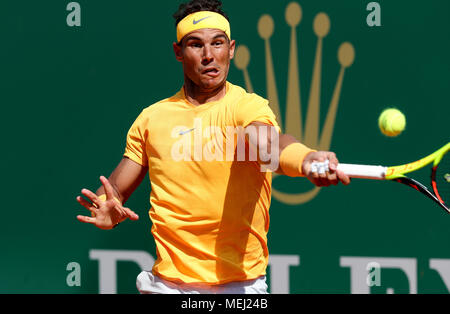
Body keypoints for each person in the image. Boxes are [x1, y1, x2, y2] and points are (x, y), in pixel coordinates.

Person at [76, 0, 351, 294]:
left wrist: (307, 160)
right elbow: (115, 190)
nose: (209, 56)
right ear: (178, 52)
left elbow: (271, 147)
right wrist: (108, 207)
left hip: (241, 288)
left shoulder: (248, 107)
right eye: (196, 45)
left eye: (217, 44)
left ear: (231, 49)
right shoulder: (151, 119)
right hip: (168, 286)